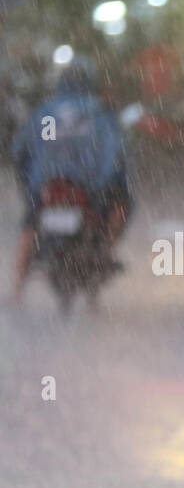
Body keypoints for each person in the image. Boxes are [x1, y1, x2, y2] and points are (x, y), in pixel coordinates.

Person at [9, 57, 129, 305]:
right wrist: (106, 184)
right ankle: (105, 249)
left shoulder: (46, 112)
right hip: (90, 190)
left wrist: (33, 185)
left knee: (29, 228)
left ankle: (16, 291)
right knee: (121, 208)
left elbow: (22, 151)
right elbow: (116, 155)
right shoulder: (100, 113)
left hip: (48, 188)